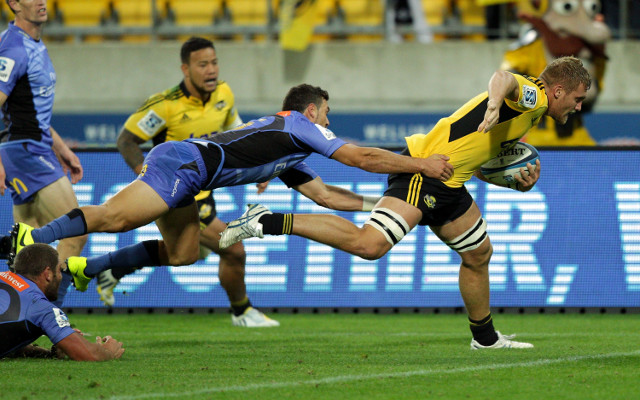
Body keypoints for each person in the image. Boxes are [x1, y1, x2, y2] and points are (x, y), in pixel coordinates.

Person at [220, 57, 591, 349]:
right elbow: (502, 78)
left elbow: (472, 151)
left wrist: (511, 181)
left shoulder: (533, 113)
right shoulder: (536, 95)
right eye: (577, 99)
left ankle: (485, 338)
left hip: (450, 181)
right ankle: (268, 220)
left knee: (478, 254)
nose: (578, 107)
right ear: (559, 90)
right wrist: (496, 101)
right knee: (370, 245)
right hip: (425, 172)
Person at [5, 84, 454, 316]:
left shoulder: (288, 153)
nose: (327, 122)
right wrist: (421, 166)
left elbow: (324, 195)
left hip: (191, 172)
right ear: (312, 110)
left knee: (182, 255)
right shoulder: (297, 123)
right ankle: (32, 235)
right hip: (184, 164)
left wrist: (375, 208)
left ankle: (89, 269)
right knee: (116, 219)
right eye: (327, 113)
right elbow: (359, 157)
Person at [109, 37, 276, 328]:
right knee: (233, 249)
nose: (211, 70)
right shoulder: (164, 106)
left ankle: (110, 268)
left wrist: (260, 167)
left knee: (186, 254)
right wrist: (146, 175)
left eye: (214, 62)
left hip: (203, 192)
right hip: (176, 193)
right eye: (203, 64)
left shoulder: (223, 94)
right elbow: (126, 140)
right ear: (186, 69)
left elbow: (238, 134)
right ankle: (243, 312)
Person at [0, 0, 87, 307]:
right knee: (76, 231)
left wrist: (62, 149)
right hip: (25, 153)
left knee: (27, 252)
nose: (41, 1)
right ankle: (49, 316)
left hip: (34, 147)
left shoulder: (34, 44)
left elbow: (34, 112)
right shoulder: (12, 49)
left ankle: (16, 322)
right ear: (13, 3)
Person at [0, 243, 125, 361]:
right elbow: (87, 354)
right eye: (59, 270)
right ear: (48, 274)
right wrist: (108, 352)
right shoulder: (42, 308)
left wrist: (49, 352)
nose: (61, 277)